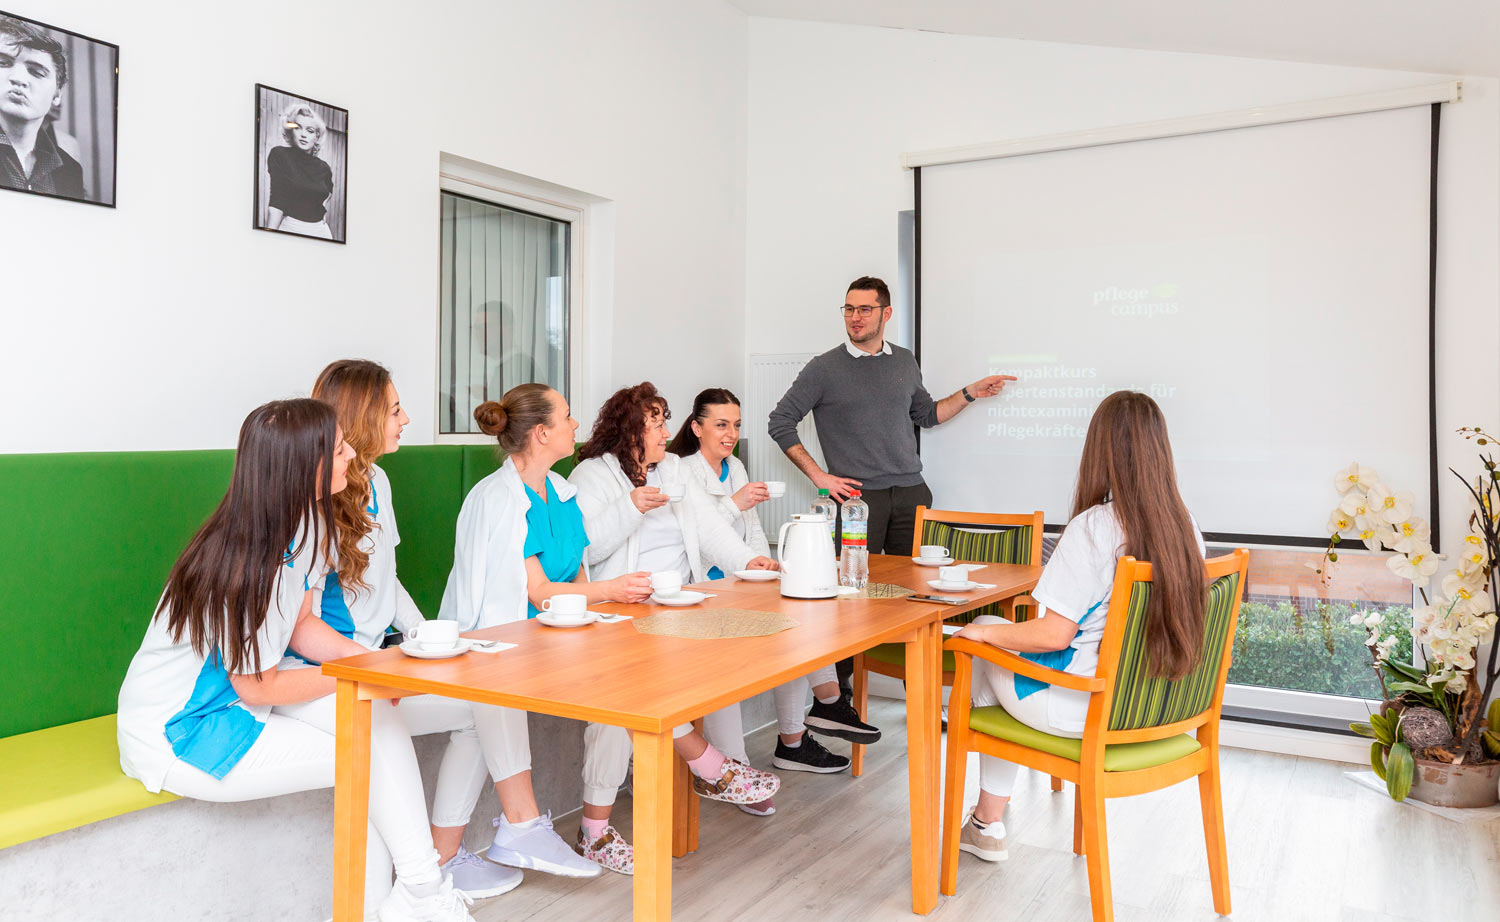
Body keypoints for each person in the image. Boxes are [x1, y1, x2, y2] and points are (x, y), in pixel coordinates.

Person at [116, 399, 475, 922]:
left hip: (244, 695)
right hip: (183, 726)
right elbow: (255, 688)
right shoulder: (244, 562)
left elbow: (303, 625)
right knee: (370, 755)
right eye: (338, 448)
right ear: (303, 468)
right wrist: (361, 674)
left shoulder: (307, 525)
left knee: (372, 719)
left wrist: (373, 668)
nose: (352, 454)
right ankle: (417, 895)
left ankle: (416, 892)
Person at [311, 359, 544, 899]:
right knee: (423, 726)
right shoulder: (317, 497)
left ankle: (443, 859)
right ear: (362, 416)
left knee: (476, 705)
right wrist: (377, 670)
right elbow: (307, 625)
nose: (406, 418)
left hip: (375, 659)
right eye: (395, 409)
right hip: (333, 672)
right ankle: (419, 882)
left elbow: (386, 583)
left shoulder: (379, 482)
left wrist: (431, 638)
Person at [950, 391, 1206, 863]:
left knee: (982, 639)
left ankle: (986, 822)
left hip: (1083, 709)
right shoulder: (1185, 526)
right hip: (1158, 705)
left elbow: (1052, 636)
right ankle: (986, 823)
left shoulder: (1095, 527)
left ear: (1102, 450)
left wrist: (980, 633)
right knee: (991, 642)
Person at [567, 382, 783, 867]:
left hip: (676, 606)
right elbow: (584, 549)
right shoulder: (593, 476)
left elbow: (709, 531)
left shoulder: (675, 469)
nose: (668, 430)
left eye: (665, 420)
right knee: (621, 697)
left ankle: (601, 828)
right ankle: (712, 768)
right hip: (617, 610)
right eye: (658, 422)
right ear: (632, 430)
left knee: (648, 688)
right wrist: (631, 506)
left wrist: (752, 560)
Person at [767, 275, 1015, 694]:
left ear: (886, 313)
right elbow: (780, 421)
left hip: (911, 494)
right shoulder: (823, 368)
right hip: (859, 501)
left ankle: (915, 693)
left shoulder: (904, 361)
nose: (855, 317)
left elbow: (928, 415)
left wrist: (970, 393)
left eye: (864, 309)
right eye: (848, 309)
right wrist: (821, 478)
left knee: (909, 599)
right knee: (847, 600)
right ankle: (837, 697)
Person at [438, 383, 646, 879]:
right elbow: (537, 593)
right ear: (541, 432)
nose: (577, 425)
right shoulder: (498, 499)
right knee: (486, 705)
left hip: (551, 639)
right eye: (568, 416)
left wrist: (597, 604)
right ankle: (518, 829)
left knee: (630, 678)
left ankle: (450, 858)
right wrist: (613, 590)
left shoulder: (563, 491)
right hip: (499, 641)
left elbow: (574, 575)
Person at [667, 387, 880, 777]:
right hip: (706, 587)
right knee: (790, 630)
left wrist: (766, 565)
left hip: (744, 579)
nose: (730, 434)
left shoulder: (738, 468)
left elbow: (751, 532)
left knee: (803, 621)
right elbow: (695, 534)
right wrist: (736, 504)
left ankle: (813, 721)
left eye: (735, 425)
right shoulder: (681, 470)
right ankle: (803, 724)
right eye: (720, 425)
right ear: (697, 428)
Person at [0, 16, 84, 198]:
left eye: (37, 72)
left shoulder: (71, 170)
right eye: (3, 63)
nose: (19, 79)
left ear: (57, 94)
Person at [265, 101, 334, 238]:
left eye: (310, 131)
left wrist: (323, 210)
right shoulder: (280, 155)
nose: (303, 134)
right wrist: (268, 237)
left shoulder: (324, 167)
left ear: (317, 137)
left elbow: (328, 191)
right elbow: (277, 202)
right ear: (291, 131)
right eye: (298, 128)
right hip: (292, 228)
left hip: (321, 231)